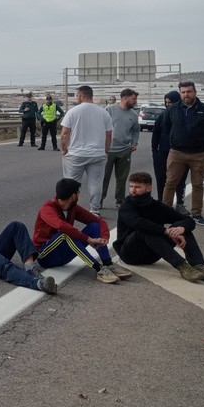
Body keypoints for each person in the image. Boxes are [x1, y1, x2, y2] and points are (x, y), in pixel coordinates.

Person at [33, 178, 133, 284]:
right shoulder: (47, 208)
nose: (79, 194)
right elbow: (62, 226)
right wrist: (88, 239)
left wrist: (104, 237)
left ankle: (108, 263)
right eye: (78, 192)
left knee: (94, 226)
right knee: (65, 233)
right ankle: (99, 269)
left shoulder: (72, 207)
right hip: (45, 256)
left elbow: (99, 221)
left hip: (63, 254)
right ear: (73, 196)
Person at [115, 171, 204, 283]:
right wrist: (165, 231)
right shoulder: (126, 206)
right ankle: (182, 267)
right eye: (131, 186)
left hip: (153, 254)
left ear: (148, 188)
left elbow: (189, 220)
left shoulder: (157, 206)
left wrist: (181, 229)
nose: (133, 191)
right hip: (129, 253)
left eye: (137, 187)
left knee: (179, 227)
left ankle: (199, 265)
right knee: (145, 230)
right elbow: (138, 223)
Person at [60, 85, 113, 214]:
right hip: (97, 153)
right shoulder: (103, 112)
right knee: (96, 184)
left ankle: (69, 209)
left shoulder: (73, 111)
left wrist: (64, 149)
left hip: (76, 154)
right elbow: (109, 134)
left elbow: (65, 133)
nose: (77, 97)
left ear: (82, 95)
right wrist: (105, 150)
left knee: (71, 183)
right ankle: (94, 210)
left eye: (77, 95)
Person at [161, 81, 204, 226]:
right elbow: (167, 127)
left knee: (198, 185)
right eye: (183, 92)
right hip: (177, 153)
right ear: (180, 93)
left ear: (195, 92)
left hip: (200, 154)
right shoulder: (172, 109)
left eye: (189, 91)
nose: (186, 95)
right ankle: (165, 212)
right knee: (170, 182)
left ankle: (196, 214)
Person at [100, 88, 140, 209]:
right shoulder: (109, 109)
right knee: (104, 177)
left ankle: (120, 200)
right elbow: (100, 126)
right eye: (133, 99)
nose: (135, 101)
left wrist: (134, 143)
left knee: (122, 178)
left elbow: (135, 130)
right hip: (107, 150)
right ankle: (99, 200)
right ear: (125, 98)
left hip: (124, 150)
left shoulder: (133, 114)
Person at [151, 91, 188, 212]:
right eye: (166, 103)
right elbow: (155, 135)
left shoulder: (184, 115)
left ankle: (180, 204)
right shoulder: (162, 117)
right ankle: (163, 204)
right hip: (163, 153)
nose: (168, 105)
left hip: (180, 153)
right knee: (162, 179)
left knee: (180, 180)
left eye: (170, 102)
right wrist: (155, 152)